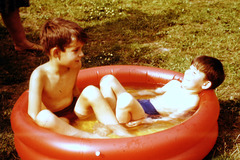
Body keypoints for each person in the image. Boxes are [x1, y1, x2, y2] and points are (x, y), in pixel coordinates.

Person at [28, 18, 132, 138]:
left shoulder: (75, 65)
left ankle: (120, 131)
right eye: (76, 50)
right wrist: (57, 123)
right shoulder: (39, 76)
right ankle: (91, 138)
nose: (81, 54)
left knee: (91, 90)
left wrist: (95, 106)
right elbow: (33, 115)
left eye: (81, 49)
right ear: (56, 53)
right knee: (43, 117)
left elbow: (74, 92)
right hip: (58, 119)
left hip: (74, 110)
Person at [97, 55, 225, 127]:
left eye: (194, 73)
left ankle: (111, 126)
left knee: (125, 100)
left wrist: (146, 121)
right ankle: (108, 117)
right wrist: (133, 93)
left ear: (205, 84)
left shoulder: (192, 100)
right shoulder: (174, 84)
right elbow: (153, 92)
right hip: (138, 103)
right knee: (108, 80)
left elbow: (172, 118)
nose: (187, 73)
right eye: (189, 69)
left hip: (145, 115)